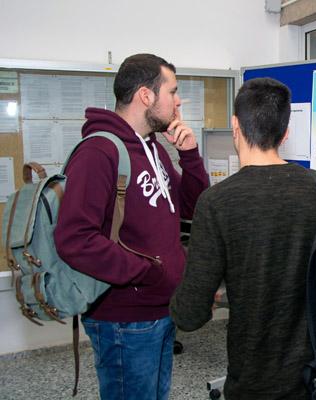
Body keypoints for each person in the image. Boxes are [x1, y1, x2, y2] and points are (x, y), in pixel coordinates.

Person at [169, 77, 316, 400]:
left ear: (235, 125)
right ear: (285, 133)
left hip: (254, 384)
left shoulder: (217, 202)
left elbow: (189, 314)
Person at [55, 53, 209, 400]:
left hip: (160, 309)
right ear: (146, 96)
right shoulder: (99, 151)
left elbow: (192, 208)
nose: (178, 100)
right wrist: (147, 273)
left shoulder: (152, 148)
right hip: (125, 319)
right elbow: (74, 238)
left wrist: (189, 154)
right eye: (172, 91)